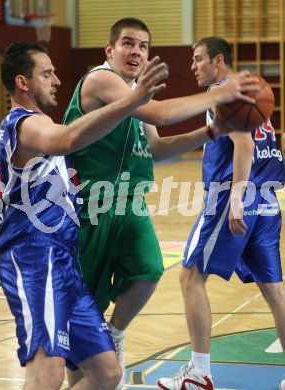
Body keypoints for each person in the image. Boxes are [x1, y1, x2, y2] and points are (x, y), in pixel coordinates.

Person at [62, 18, 260, 389]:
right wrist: (220, 93)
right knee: (82, 334)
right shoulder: (100, 79)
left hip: (128, 208)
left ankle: (115, 335)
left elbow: (157, 149)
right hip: (88, 211)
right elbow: (159, 114)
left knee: (150, 269)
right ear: (110, 50)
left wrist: (212, 131)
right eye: (128, 43)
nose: (136, 51)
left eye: (143, 46)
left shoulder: (137, 93)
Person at [0, 40, 170, 390]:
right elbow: (69, 139)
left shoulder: (34, 128)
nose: (56, 81)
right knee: (47, 373)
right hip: (36, 259)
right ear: (23, 82)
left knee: (106, 373)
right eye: (47, 73)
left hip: (64, 263)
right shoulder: (25, 124)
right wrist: (133, 99)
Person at [157, 37, 285, 390]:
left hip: (232, 198)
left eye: (198, 59)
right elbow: (266, 144)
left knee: (189, 277)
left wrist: (236, 197)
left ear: (218, 61)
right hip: (269, 200)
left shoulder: (221, 92)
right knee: (275, 292)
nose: (193, 66)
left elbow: (243, 144)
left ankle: (199, 372)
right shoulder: (252, 91)